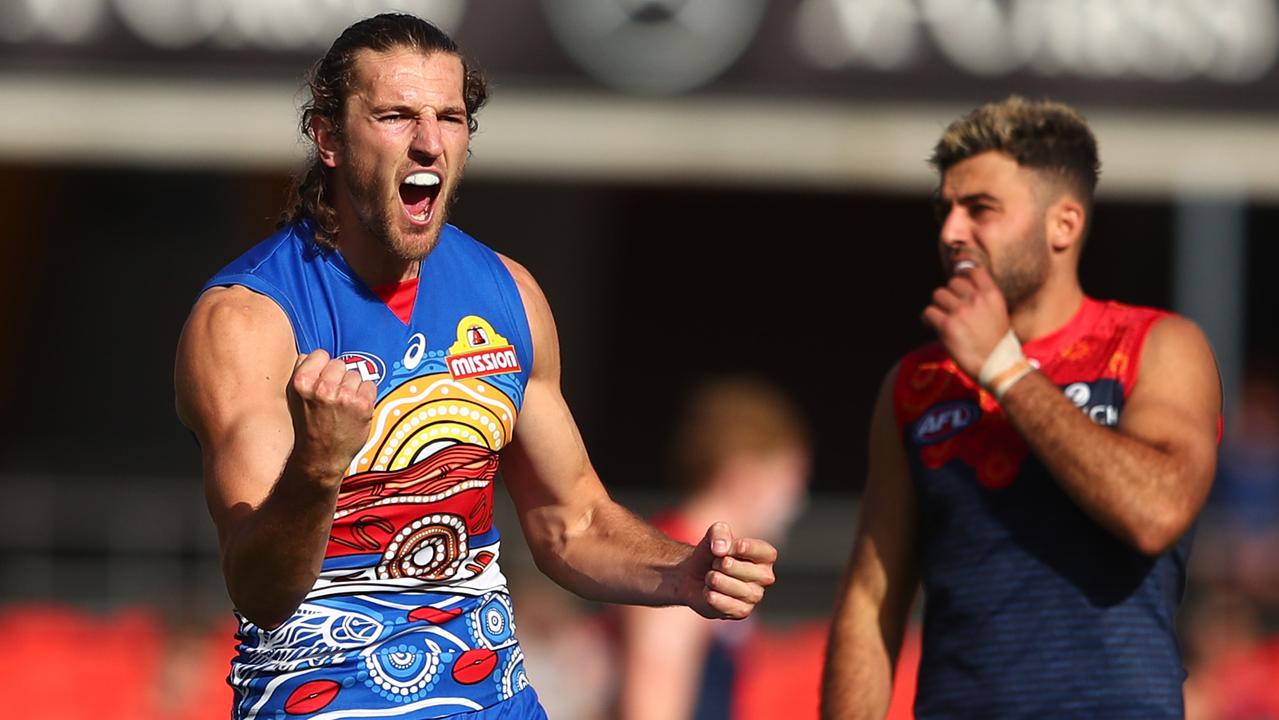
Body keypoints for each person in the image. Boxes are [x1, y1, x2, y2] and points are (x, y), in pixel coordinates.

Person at [172, 13, 777, 719]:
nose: (428, 141)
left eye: (451, 118)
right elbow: (260, 592)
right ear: (328, 138)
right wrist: (316, 466)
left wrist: (680, 572)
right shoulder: (247, 321)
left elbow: (571, 522)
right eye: (396, 116)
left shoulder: (508, 295)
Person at [821, 96, 1222, 719]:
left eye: (980, 209)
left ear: (1063, 225)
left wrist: (1006, 371)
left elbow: (1156, 510)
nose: (952, 232)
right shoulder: (916, 382)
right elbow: (871, 603)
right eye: (946, 209)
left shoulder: (1156, 346)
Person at [614, 376, 812, 720]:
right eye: (790, 481)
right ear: (744, 475)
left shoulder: (702, 564)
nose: (797, 502)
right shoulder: (676, 568)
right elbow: (650, 709)